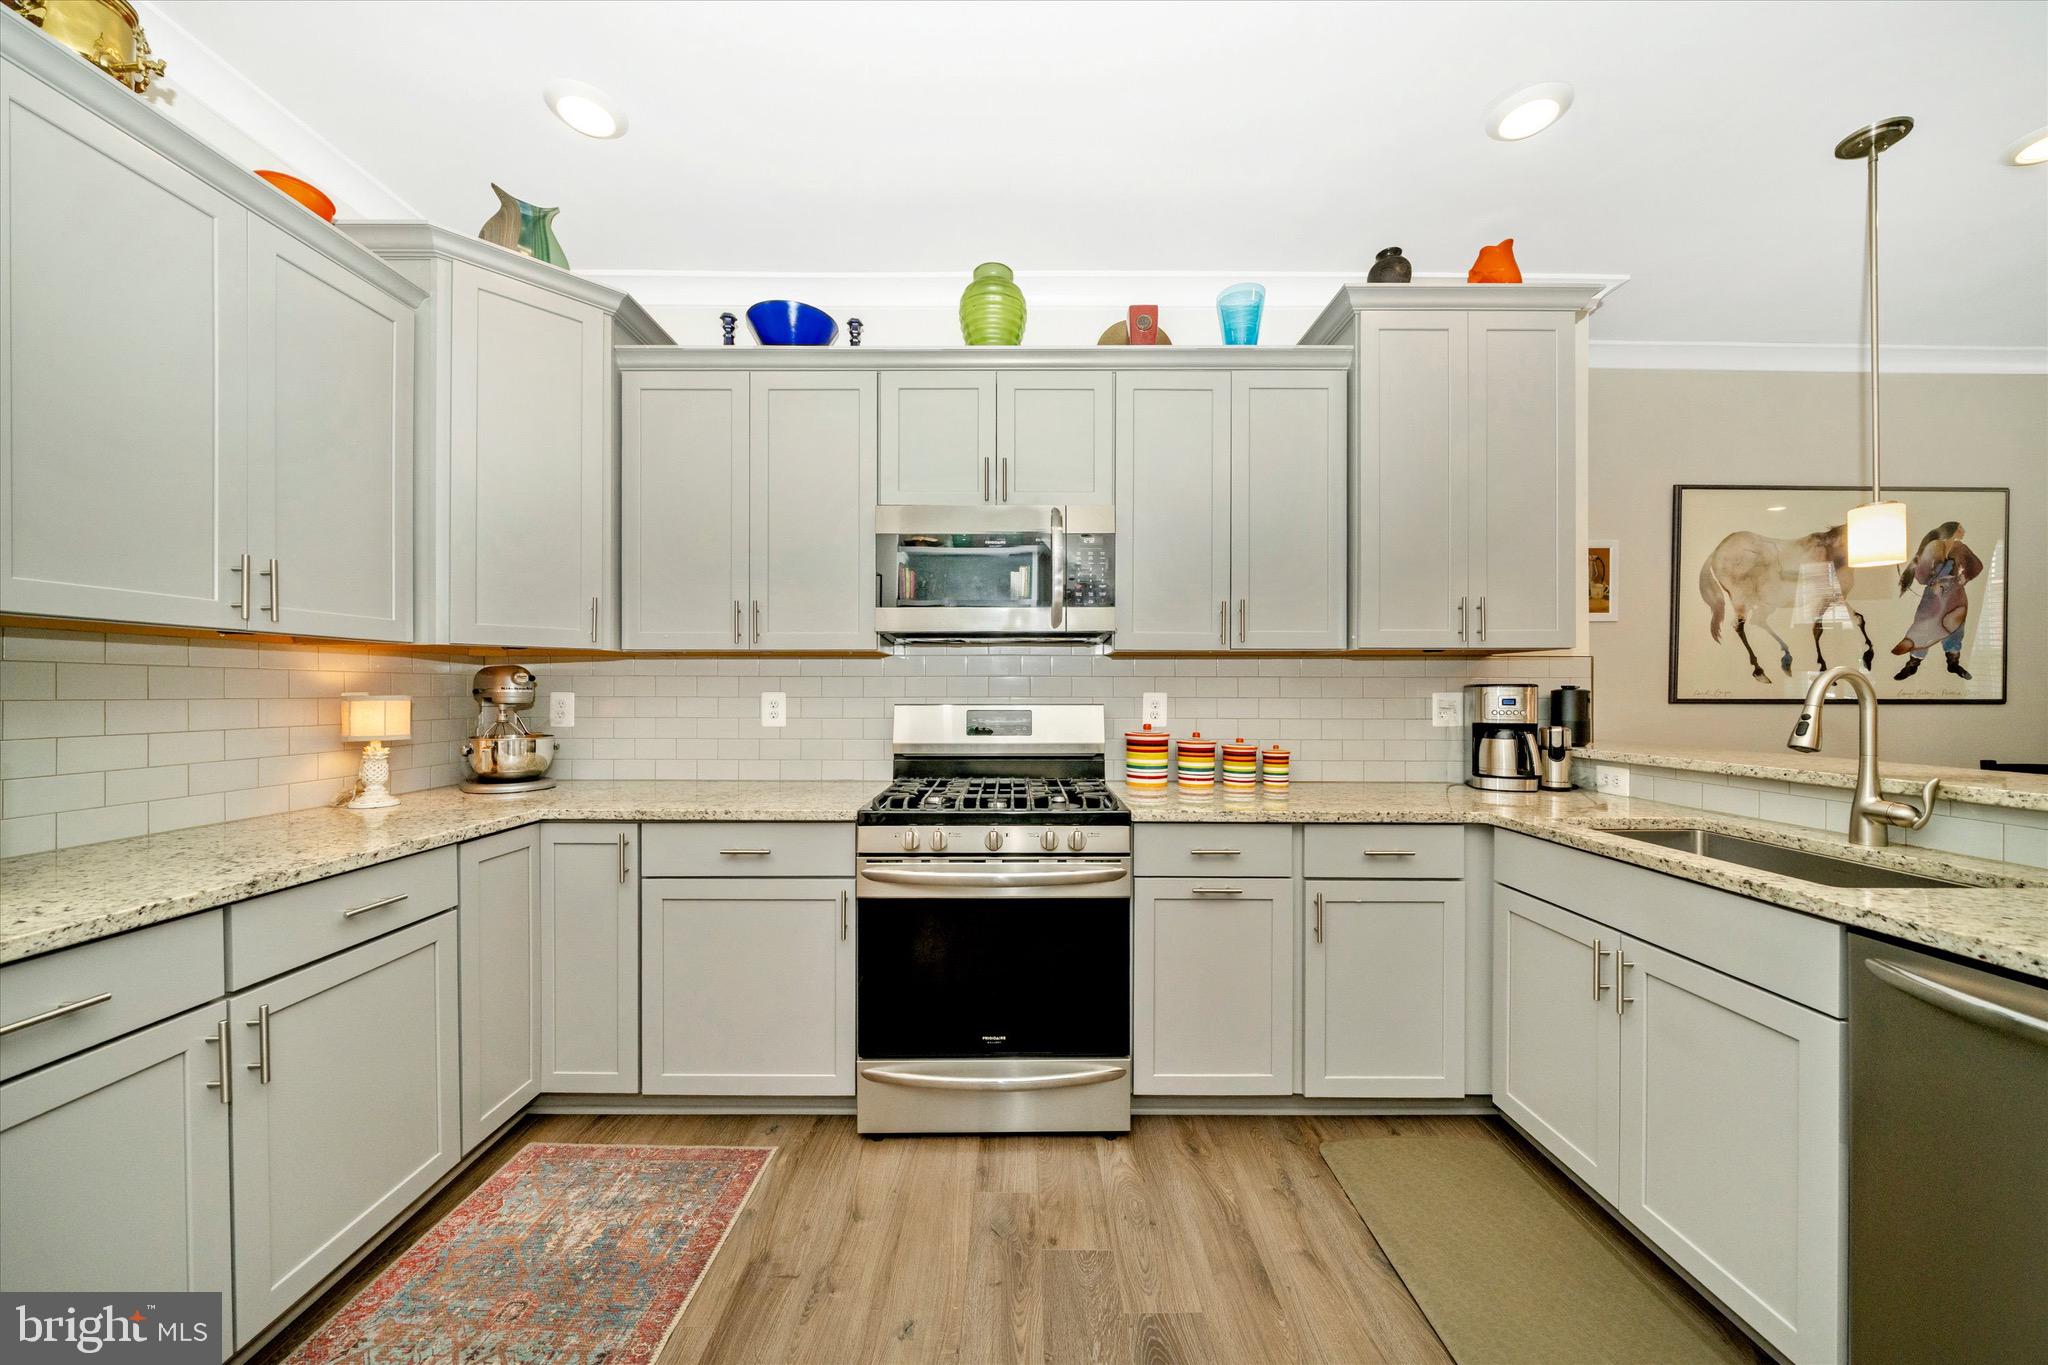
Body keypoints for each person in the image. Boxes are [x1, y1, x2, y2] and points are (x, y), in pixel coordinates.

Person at [1890, 521, 1984, 681]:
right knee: (1924, 627)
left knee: (1956, 628)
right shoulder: (1934, 546)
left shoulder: (1960, 548)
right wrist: (1933, 583)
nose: (1963, 531)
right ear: (1953, 530)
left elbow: (1976, 565)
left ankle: (1953, 664)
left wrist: (1965, 576)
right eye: (1960, 528)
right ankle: (1913, 665)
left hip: (1956, 596)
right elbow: (1921, 573)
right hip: (1934, 597)